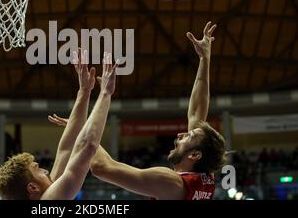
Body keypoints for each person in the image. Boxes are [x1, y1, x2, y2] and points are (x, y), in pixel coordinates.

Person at [50, 22, 226, 200]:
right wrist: (204, 59)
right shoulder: (205, 177)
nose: (181, 134)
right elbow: (197, 112)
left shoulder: (170, 183)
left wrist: (80, 128)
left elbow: (103, 168)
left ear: (195, 155)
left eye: (188, 136)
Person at [0, 50, 118, 200]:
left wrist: (84, 91)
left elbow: (66, 149)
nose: (46, 171)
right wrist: (105, 93)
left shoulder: (46, 195)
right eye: (37, 169)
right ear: (32, 187)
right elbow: (88, 146)